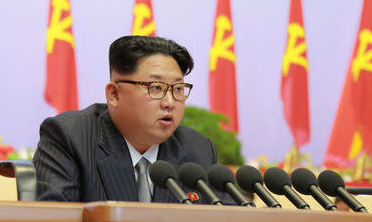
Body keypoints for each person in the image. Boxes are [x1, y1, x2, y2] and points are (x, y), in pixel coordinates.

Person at [34, 35, 229, 204]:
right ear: (114, 94)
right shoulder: (70, 137)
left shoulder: (198, 149)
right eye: (156, 88)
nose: (170, 102)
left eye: (177, 89)